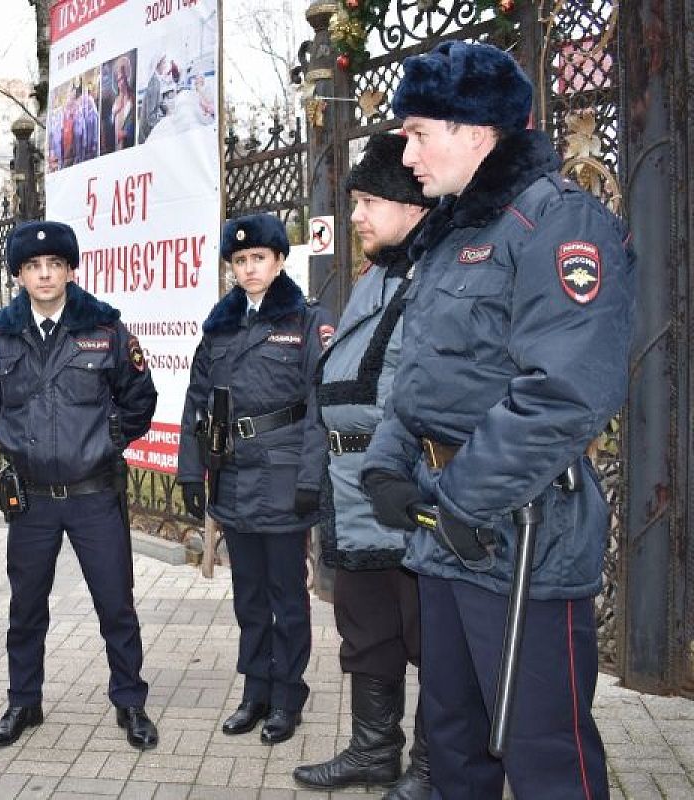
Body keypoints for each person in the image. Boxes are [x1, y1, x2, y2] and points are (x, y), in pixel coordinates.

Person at [361, 41, 635, 798]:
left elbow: (566, 392)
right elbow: (420, 373)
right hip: (447, 533)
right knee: (453, 744)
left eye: (417, 132)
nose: (405, 152)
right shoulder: (451, 233)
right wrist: (390, 460)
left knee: (543, 751)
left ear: (475, 130)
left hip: (522, 532)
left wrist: (461, 499)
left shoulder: (557, 224)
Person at [0, 221, 160, 751]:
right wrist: (20, 445)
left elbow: (139, 399)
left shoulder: (105, 330)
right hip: (31, 499)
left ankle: (130, 701)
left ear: (71, 269)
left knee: (115, 604)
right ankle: (22, 702)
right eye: (34, 266)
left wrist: (107, 440)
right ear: (19, 276)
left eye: (55, 264)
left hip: (93, 495)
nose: (45, 273)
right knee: (26, 607)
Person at [293, 133, 433, 799]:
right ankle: (374, 752)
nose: (356, 216)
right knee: (367, 633)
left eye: (370, 200)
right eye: (353, 201)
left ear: (413, 204)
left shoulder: (441, 275)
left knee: (432, 640)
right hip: (351, 495)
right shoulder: (375, 277)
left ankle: (436, 767)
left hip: (407, 493)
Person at [177, 214, 334, 745]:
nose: (249, 268)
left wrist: (313, 476)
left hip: (286, 473)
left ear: (280, 260)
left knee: (286, 594)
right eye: (240, 261)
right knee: (248, 593)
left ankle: (288, 694)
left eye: (259, 258)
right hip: (234, 474)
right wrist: (189, 468)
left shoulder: (306, 321)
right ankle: (255, 688)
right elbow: (197, 402)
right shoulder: (220, 326)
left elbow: (321, 404)